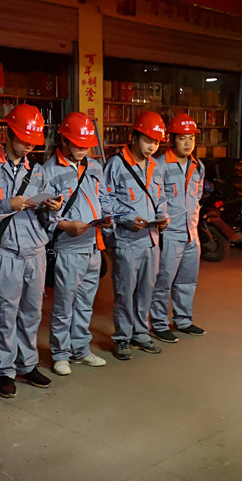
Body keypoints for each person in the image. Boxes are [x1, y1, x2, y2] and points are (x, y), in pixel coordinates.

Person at [0, 104, 62, 398]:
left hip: (35, 250)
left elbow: (46, 217)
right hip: (6, 250)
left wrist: (52, 208)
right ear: (9, 133)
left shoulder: (37, 170)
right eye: (25, 139)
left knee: (32, 312)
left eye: (33, 141)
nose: (29, 146)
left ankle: (27, 365)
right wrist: (6, 204)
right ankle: (6, 371)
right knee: (4, 313)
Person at [43, 113, 112, 377]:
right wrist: (65, 225)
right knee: (64, 305)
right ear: (64, 140)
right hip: (69, 247)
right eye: (78, 144)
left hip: (93, 245)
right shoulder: (48, 171)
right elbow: (44, 214)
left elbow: (103, 197)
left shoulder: (94, 166)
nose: (83, 149)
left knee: (85, 304)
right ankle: (60, 354)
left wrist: (108, 217)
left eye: (87, 145)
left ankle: (80, 350)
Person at [102, 111, 168, 361]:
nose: (152, 147)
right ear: (134, 137)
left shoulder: (155, 166)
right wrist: (127, 218)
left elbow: (160, 197)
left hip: (151, 240)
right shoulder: (116, 164)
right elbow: (105, 200)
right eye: (147, 141)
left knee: (146, 290)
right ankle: (122, 337)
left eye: (156, 142)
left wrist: (162, 215)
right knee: (125, 291)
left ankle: (141, 333)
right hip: (127, 242)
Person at [150, 113, 206, 343]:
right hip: (170, 233)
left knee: (187, 280)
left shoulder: (198, 166)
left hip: (192, 232)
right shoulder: (159, 165)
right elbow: (155, 197)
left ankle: (183, 320)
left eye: (191, 138)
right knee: (163, 281)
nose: (188, 143)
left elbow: (197, 195)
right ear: (171, 139)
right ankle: (159, 323)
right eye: (182, 138)